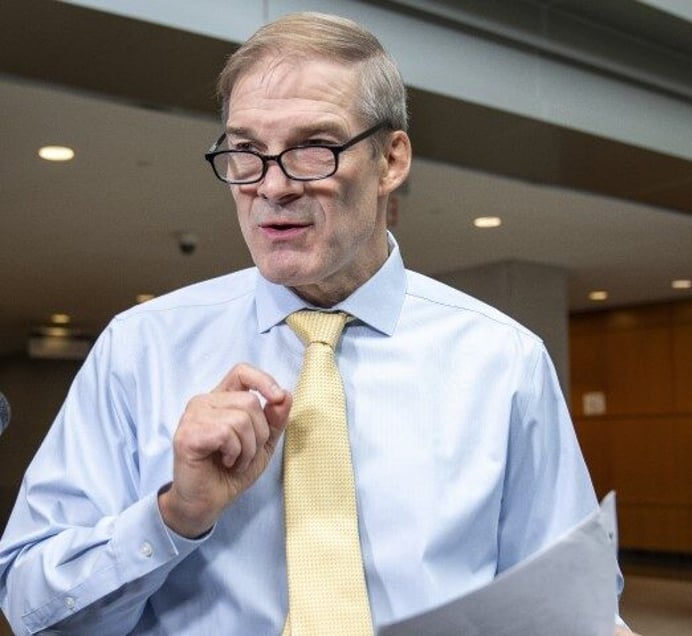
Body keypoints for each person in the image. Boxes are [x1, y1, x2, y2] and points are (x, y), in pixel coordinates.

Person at [0, 11, 637, 635]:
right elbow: (29, 603)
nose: (271, 186)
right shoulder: (137, 350)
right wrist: (173, 516)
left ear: (391, 160)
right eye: (246, 151)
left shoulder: (504, 361)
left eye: (313, 149)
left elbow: (568, 605)